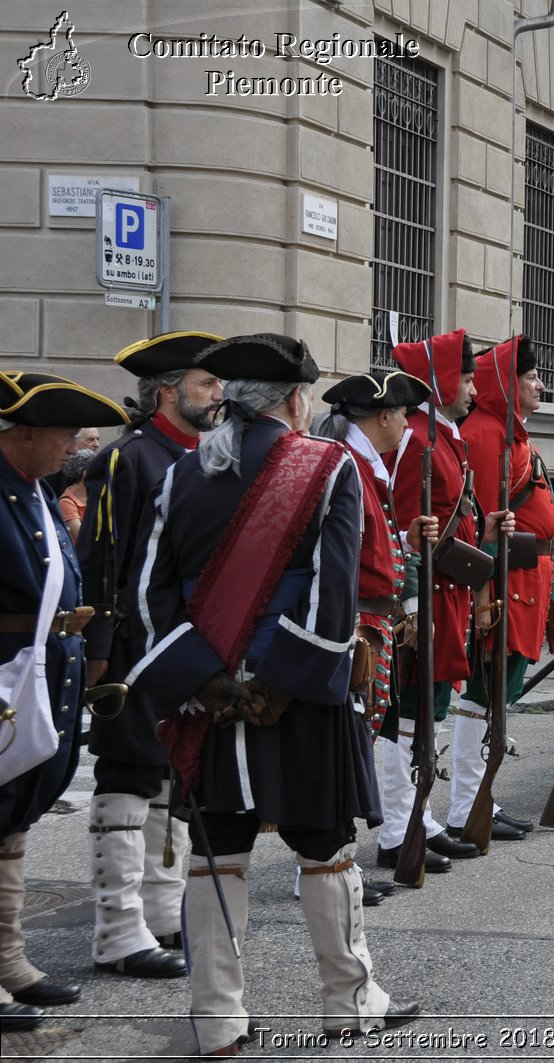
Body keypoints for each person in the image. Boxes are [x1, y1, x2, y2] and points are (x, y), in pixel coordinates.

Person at [124, 335, 420, 1053]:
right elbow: (335, 592)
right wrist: (282, 682)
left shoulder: (184, 474)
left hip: (209, 695)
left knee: (215, 850)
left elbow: (148, 594)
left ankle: (217, 1018)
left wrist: (207, 679)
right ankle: (347, 1003)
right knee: (324, 845)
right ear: (295, 399)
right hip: (301, 693)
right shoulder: (328, 466)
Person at [76, 332, 224, 981]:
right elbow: (102, 562)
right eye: (206, 383)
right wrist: (99, 656)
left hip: (190, 649)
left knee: (177, 782)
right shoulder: (126, 461)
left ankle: (164, 914)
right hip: (135, 650)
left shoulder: (212, 459)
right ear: (168, 391)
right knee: (130, 777)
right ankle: (117, 929)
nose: (218, 394)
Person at [0, 371, 127, 1033]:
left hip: (37, 674)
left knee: (12, 819)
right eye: (59, 434)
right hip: (7, 672)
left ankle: (9, 958)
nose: (69, 446)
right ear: (21, 432)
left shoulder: (33, 491)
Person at [310, 370, 440, 905]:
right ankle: (321, 872)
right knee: (343, 744)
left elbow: (372, 546)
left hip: (373, 624)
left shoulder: (368, 467)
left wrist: (403, 550)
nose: (409, 425)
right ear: (383, 416)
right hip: (354, 627)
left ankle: (337, 868)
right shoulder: (351, 466)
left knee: (357, 740)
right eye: (404, 415)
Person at [455, 337, 554, 839]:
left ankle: (479, 802)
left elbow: (527, 516)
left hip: (525, 586)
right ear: (505, 384)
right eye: (530, 376)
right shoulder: (488, 434)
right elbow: (482, 533)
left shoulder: (513, 435)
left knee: (498, 697)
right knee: (481, 697)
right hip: (501, 591)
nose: (540, 383)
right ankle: (467, 807)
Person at [379, 329, 495, 869]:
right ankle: (397, 830)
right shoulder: (419, 440)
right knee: (405, 714)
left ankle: (419, 818)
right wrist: (410, 605)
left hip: (448, 592)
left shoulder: (443, 435)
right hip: (423, 596)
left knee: (431, 710)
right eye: (466, 378)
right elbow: (402, 526)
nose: (473, 389)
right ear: (444, 380)